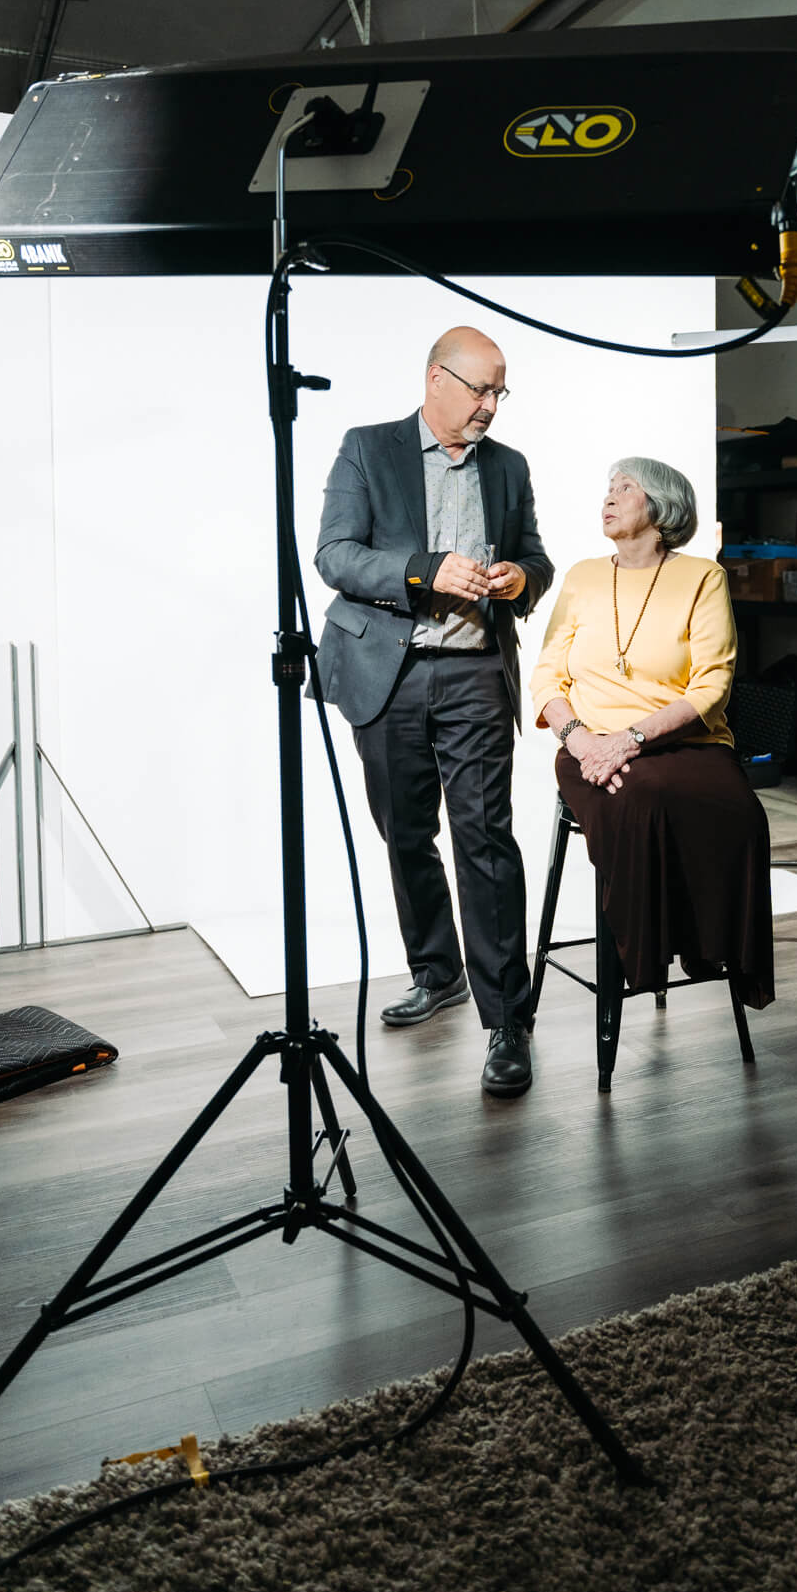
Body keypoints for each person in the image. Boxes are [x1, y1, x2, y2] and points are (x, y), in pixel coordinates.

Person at [314, 325, 553, 1097]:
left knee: (485, 837)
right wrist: (423, 571)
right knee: (405, 833)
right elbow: (335, 555)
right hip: (388, 669)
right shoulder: (367, 448)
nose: (490, 406)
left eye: (499, 391)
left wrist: (522, 577)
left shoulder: (509, 467)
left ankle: (508, 1020)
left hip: (475, 670)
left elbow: (538, 557)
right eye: (480, 389)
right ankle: (437, 971)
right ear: (435, 379)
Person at [531, 457, 773, 1012]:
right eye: (607, 488)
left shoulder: (702, 578)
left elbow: (713, 683)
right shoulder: (583, 576)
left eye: (625, 488)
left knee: (743, 812)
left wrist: (631, 740)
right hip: (586, 743)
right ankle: (643, 951)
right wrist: (581, 739)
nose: (609, 497)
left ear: (660, 506)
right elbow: (547, 673)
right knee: (637, 795)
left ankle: (709, 946)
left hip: (683, 741)